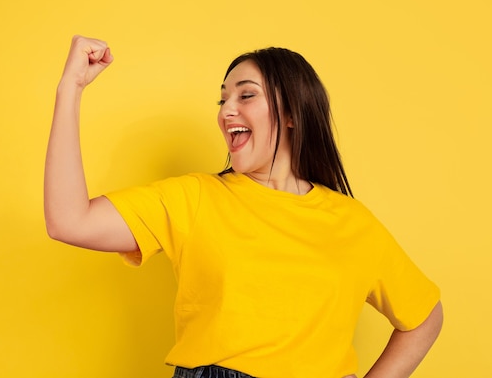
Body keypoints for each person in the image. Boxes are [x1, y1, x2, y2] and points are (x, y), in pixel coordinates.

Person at [44, 35, 443, 378]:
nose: (225, 111)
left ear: (290, 113)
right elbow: (69, 221)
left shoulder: (352, 222)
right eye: (221, 100)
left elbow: (425, 316)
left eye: (245, 95)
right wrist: (70, 88)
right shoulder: (196, 197)